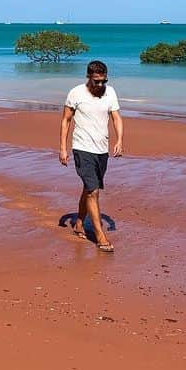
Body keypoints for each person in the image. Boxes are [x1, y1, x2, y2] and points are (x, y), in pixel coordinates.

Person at [59, 60, 123, 252]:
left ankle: (79, 223)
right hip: (82, 148)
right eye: (96, 81)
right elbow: (66, 120)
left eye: (103, 81)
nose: (100, 85)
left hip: (102, 150)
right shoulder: (76, 93)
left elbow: (116, 117)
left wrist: (119, 139)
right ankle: (100, 235)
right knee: (93, 191)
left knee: (90, 189)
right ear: (89, 78)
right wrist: (63, 148)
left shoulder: (110, 92)